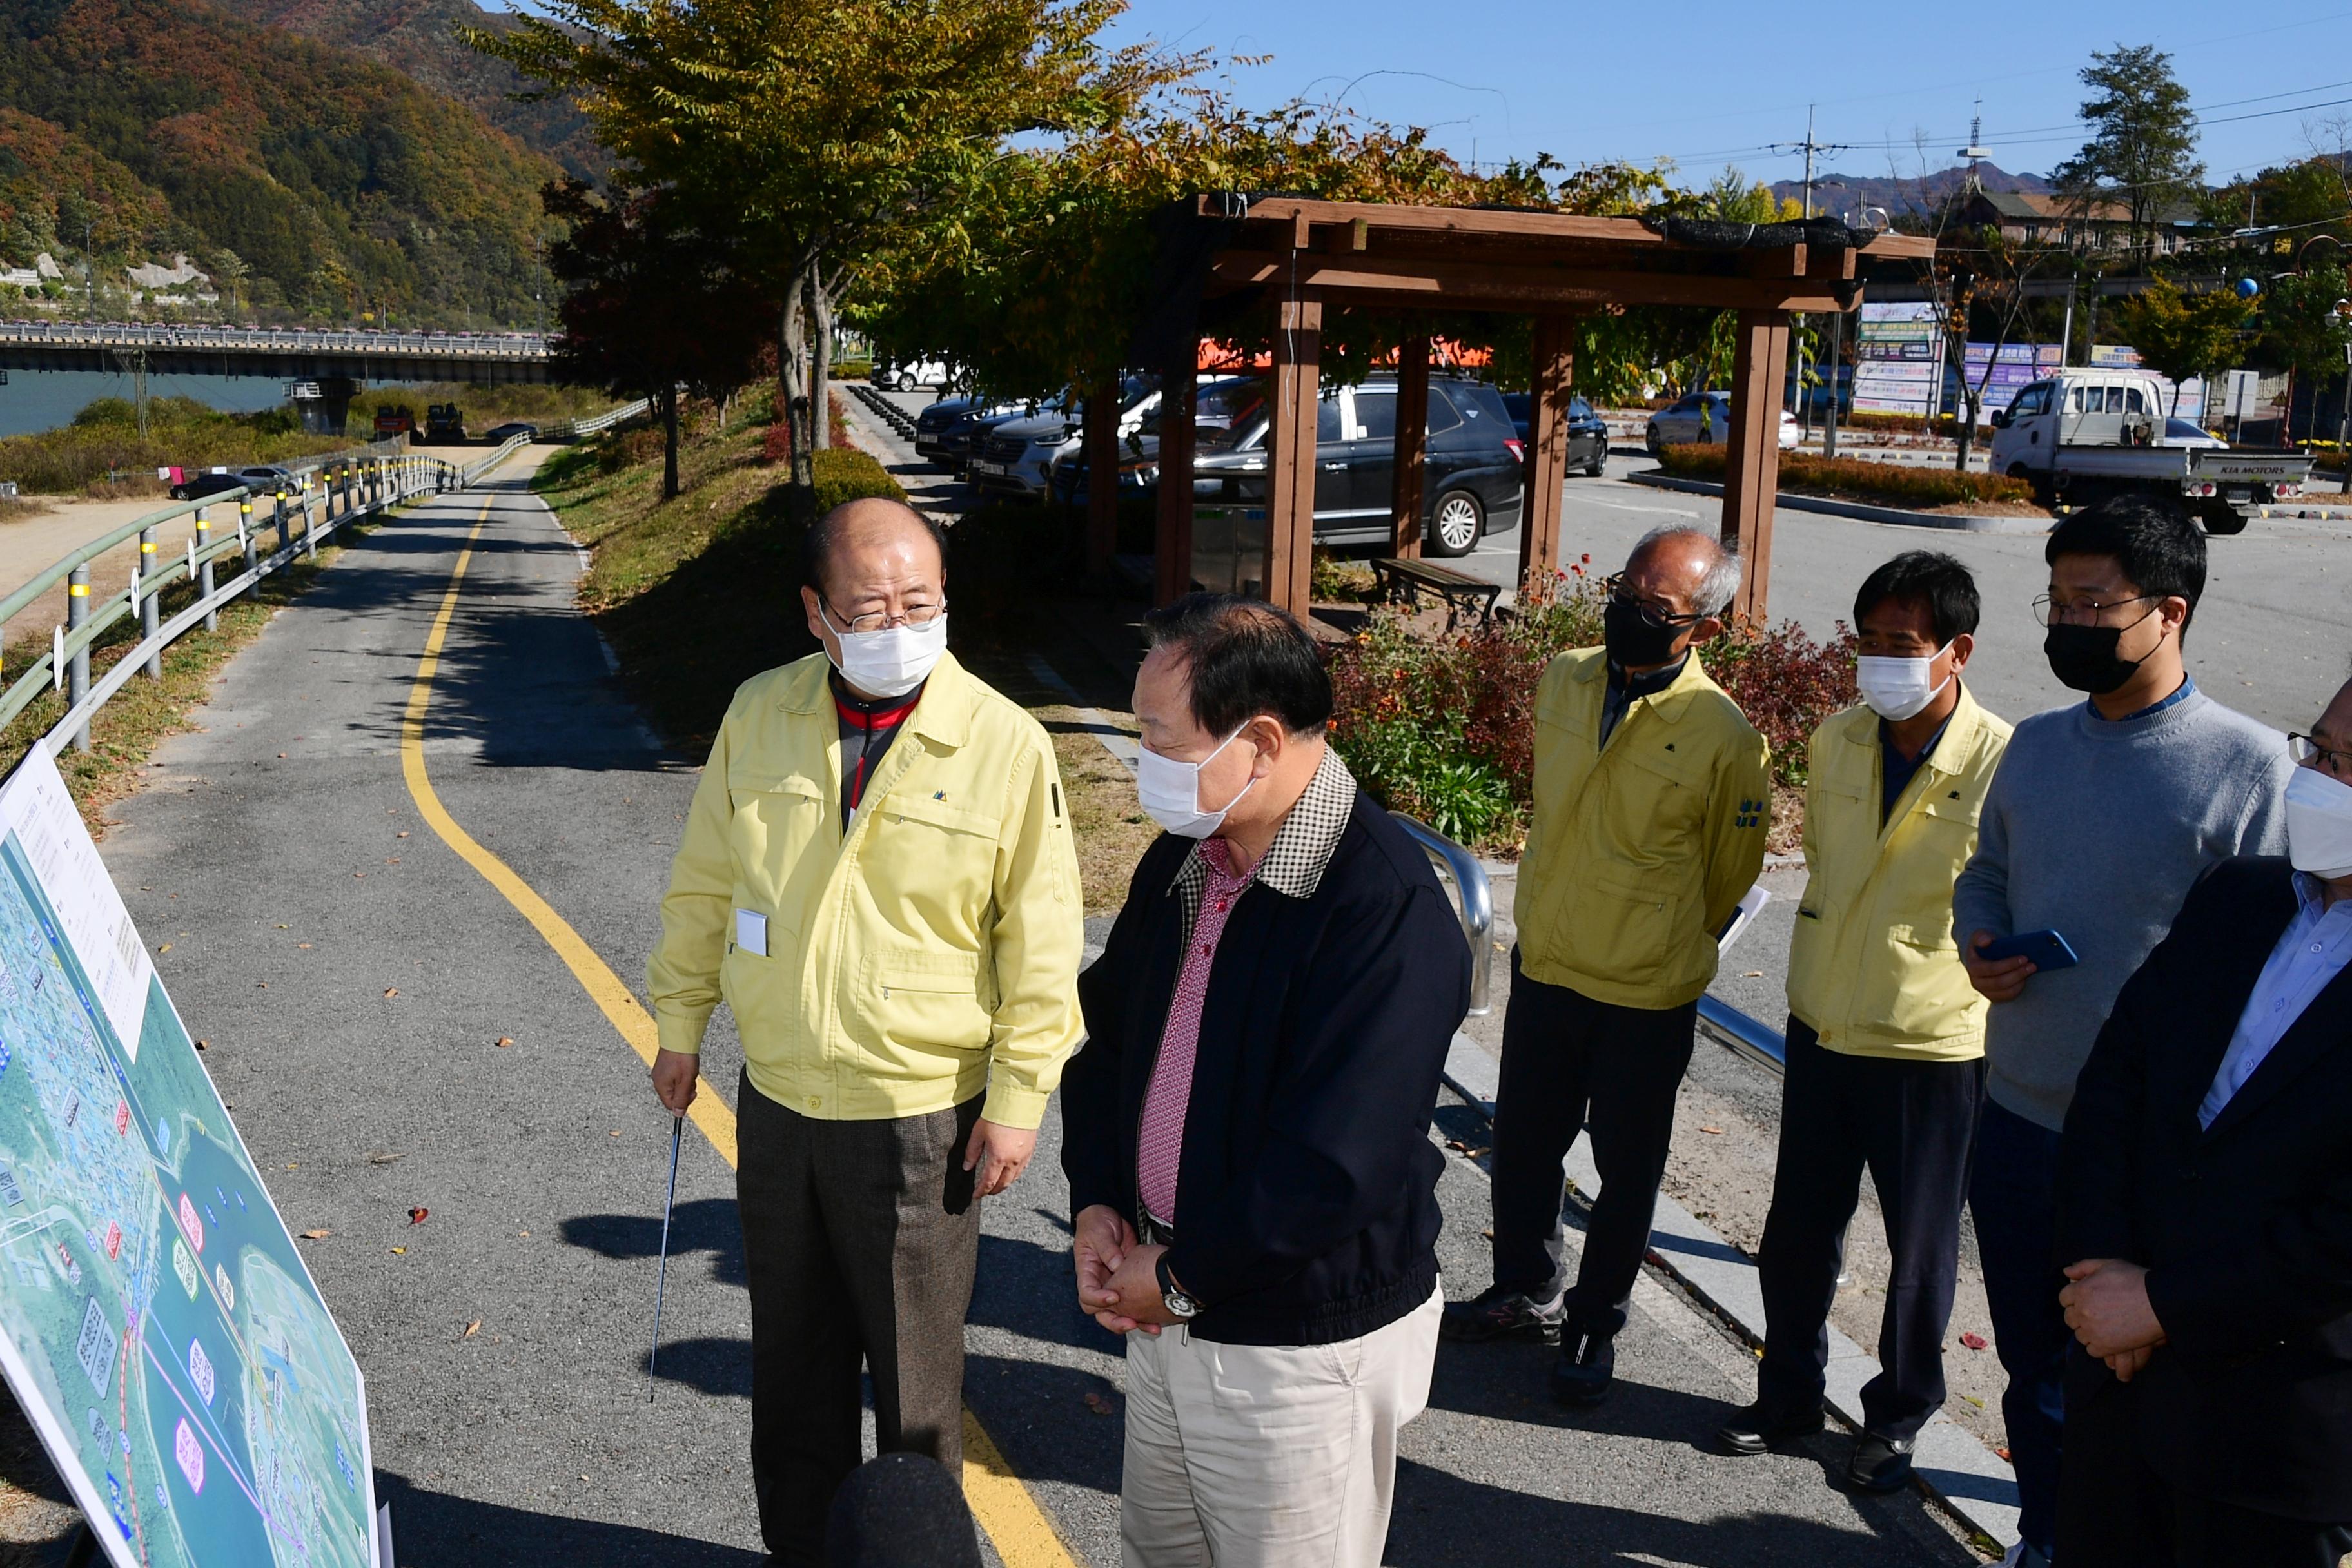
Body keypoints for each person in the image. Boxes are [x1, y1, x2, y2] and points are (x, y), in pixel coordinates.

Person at [646, 497, 1084, 1566]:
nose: (896, 626)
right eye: (868, 607)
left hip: (921, 1119)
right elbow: (706, 882)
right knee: (792, 1377)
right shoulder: (758, 713)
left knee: (916, 1398)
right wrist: (678, 1023)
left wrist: (1020, 1104)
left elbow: (1042, 939)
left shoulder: (1006, 743)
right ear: (815, 613)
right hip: (783, 1101)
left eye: (918, 602)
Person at [1061, 593, 1468, 1568]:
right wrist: (1099, 1201)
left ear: (1261, 742)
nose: (1144, 757)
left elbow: (1339, 1160)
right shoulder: (1187, 860)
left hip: (1293, 1350)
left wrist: (1185, 1277)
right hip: (1166, 1310)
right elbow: (1110, 1043)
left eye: (1161, 737)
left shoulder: (1385, 908)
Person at [1951, 494, 2292, 1568]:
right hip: (2014, 1115)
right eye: (2055, 600)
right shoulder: (2038, 746)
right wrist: (1980, 936)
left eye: (2093, 603)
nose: (2068, 624)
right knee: (2034, 1365)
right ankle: (2046, 1539)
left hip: (2152, 1150)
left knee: (2133, 1377)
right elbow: (1989, 869)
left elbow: (2276, 965)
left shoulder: (2247, 769)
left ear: (2169, 613)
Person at [1444, 525, 1772, 1407]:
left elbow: (1729, 877)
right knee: (1523, 1145)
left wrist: (1658, 933)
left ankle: (1595, 1319)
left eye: (1656, 609)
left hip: (1644, 991)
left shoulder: (1725, 737)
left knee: (1626, 1172)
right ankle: (1525, 1285)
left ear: (1701, 627)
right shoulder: (1568, 675)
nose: (1630, 614)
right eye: (1627, 591)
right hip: (1548, 964)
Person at [1715, 551, 2010, 1492]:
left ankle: (1899, 1417)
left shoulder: (2004, 761)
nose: (1881, 660)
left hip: (1931, 1043)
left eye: (1905, 645)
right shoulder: (1839, 738)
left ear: (1956, 651)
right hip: (1823, 1023)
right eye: (1869, 642)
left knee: (1919, 1251)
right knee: (1799, 1228)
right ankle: (1789, 1392)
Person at [2052, 671, 2352, 1567]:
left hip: (2273, 1427)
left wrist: (2160, 1305)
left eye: (2348, 766)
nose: (2317, 781)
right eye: (2320, 750)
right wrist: (2105, 1274)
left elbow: (2341, 1237)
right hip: (2119, 1380)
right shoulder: (2241, 897)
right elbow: (2117, 1081)